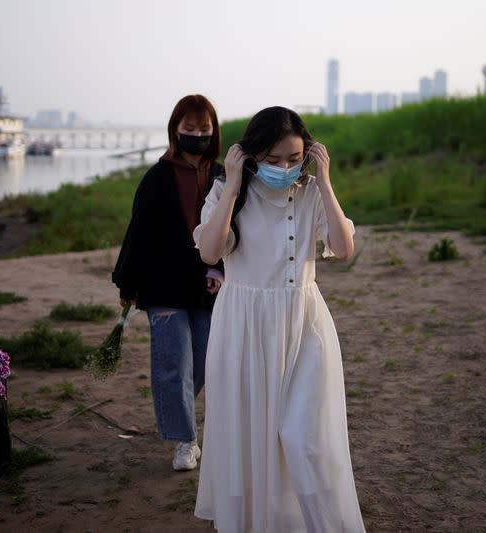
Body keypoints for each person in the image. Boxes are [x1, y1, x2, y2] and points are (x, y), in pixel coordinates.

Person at [194, 107, 365, 532]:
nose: (284, 169)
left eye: (293, 159)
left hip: (304, 324)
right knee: (249, 437)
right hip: (243, 326)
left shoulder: (310, 192)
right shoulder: (227, 191)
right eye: (273, 160)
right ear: (251, 155)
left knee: (309, 438)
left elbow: (343, 249)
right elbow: (209, 252)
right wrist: (232, 183)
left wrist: (324, 181)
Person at [112, 94, 223, 471]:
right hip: (162, 285)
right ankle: (185, 441)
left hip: (209, 287)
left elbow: (237, 229)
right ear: (175, 130)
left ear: (214, 130)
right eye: (189, 128)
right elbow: (138, 232)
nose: (196, 135)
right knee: (173, 363)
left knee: (205, 363)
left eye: (203, 128)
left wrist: (221, 270)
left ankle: (181, 421)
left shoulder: (223, 175)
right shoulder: (158, 176)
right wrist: (127, 283)